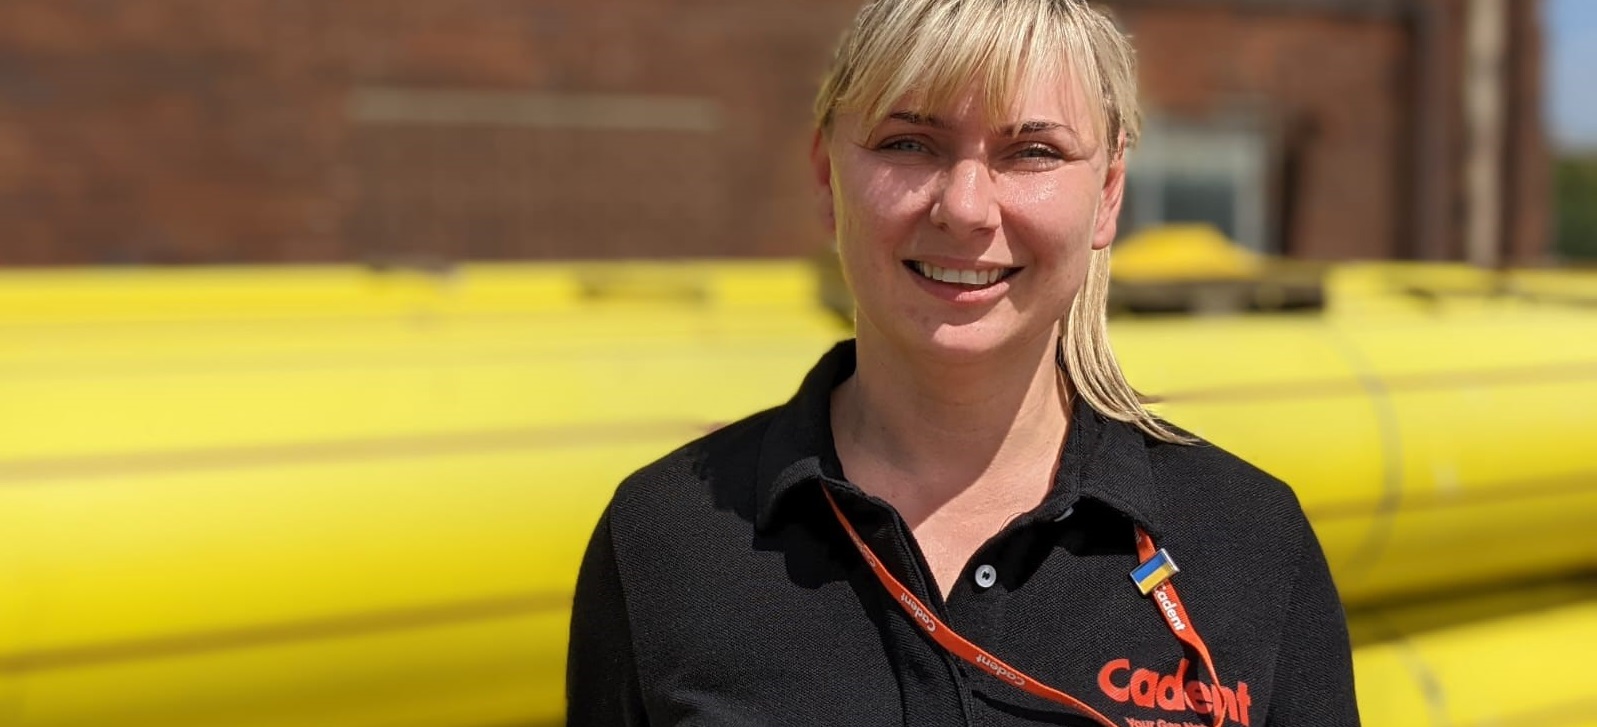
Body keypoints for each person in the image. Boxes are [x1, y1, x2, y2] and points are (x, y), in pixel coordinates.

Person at [567, 0, 1359, 724]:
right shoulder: (665, 538)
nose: (966, 207)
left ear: (1108, 193)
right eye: (908, 143)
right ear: (824, 175)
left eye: (1032, 151)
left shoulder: (1249, 543)